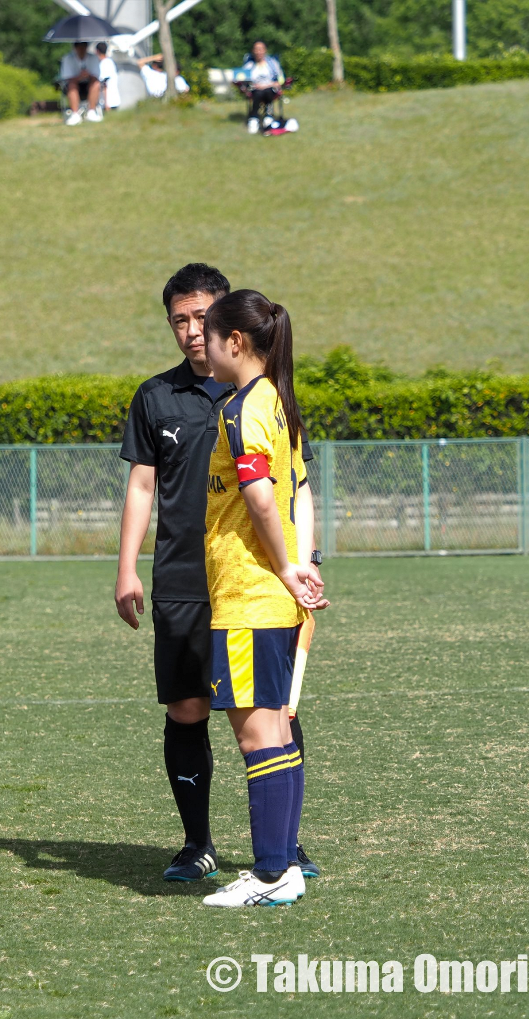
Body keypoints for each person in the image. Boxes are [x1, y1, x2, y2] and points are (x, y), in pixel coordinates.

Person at [115, 264, 321, 885]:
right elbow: (142, 485)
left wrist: (301, 560)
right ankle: (197, 843)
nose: (191, 331)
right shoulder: (156, 396)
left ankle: (284, 850)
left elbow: (294, 485)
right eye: (179, 319)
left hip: (255, 581)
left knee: (273, 712)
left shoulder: (262, 397)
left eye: (203, 317)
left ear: (231, 322)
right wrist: (126, 567)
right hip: (183, 578)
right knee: (187, 708)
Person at [197, 290, 328, 908]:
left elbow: (260, 496)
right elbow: (301, 488)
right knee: (277, 730)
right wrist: (303, 565)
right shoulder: (279, 401)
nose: (201, 341)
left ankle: (271, 874)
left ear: (236, 342)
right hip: (273, 598)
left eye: (209, 331)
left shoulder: (244, 407)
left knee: (258, 739)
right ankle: (286, 868)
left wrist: (283, 567)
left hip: (250, 598)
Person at [241, 41, 284, 130]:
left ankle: (268, 116)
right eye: (256, 49)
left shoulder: (272, 63)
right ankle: (254, 118)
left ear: (265, 50)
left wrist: (274, 84)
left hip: (270, 88)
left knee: (267, 91)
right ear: (253, 51)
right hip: (255, 89)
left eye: (261, 49)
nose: (258, 52)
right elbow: (243, 79)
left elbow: (281, 78)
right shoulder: (249, 65)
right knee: (258, 92)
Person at [59, 41, 103, 125]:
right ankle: (75, 114)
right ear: (75, 48)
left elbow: (96, 76)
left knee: (96, 84)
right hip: (74, 86)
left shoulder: (93, 58)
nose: (81, 50)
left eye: (83, 47)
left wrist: (87, 75)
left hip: (89, 86)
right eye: (79, 48)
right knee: (72, 85)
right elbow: (67, 78)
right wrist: (80, 77)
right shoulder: (67, 59)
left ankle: (92, 111)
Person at [95, 42, 121, 110]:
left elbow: (104, 84)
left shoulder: (104, 64)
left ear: (97, 51)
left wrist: (106, 103)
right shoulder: (110, 62)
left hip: (108, 103)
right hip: (114, 100)